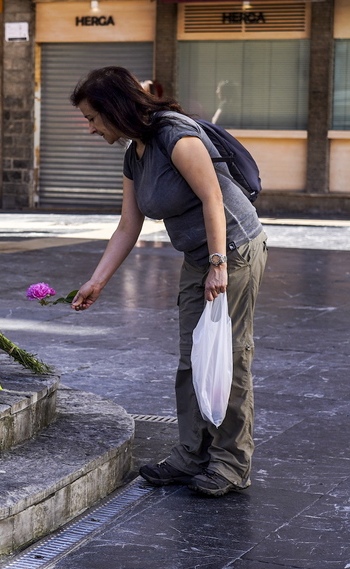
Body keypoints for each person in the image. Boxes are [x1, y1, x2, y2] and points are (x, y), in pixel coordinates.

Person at [69, 66, 267, 497]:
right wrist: (97, 282)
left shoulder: (176, 135)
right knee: (192, 358)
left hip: (233, 250)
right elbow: (127, 226)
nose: (89, 128)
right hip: (200, 256)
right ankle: (192, 454)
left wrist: (217, 264)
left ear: (113, 109)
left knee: (227, 356)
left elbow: (213, 197)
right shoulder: (133, 154)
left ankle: (232, 464)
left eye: (91, 118)